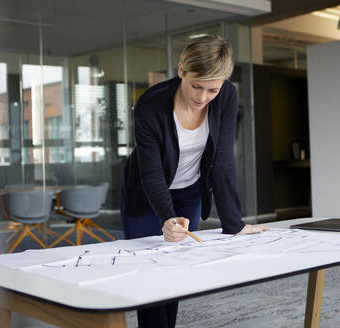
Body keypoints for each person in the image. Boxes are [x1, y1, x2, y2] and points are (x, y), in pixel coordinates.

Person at [119, 35, 269, 328]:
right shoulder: (151, 105)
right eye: (196, 86)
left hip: (189, 192)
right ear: (181, 71)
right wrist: (167, 217)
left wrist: (233, 224)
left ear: (224, 82)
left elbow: (222, 160)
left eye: (212, 89)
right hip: (146, 194)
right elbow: (151, 173)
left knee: (174, 271)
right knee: (149, 275)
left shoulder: (226, 96)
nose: (202, 97)